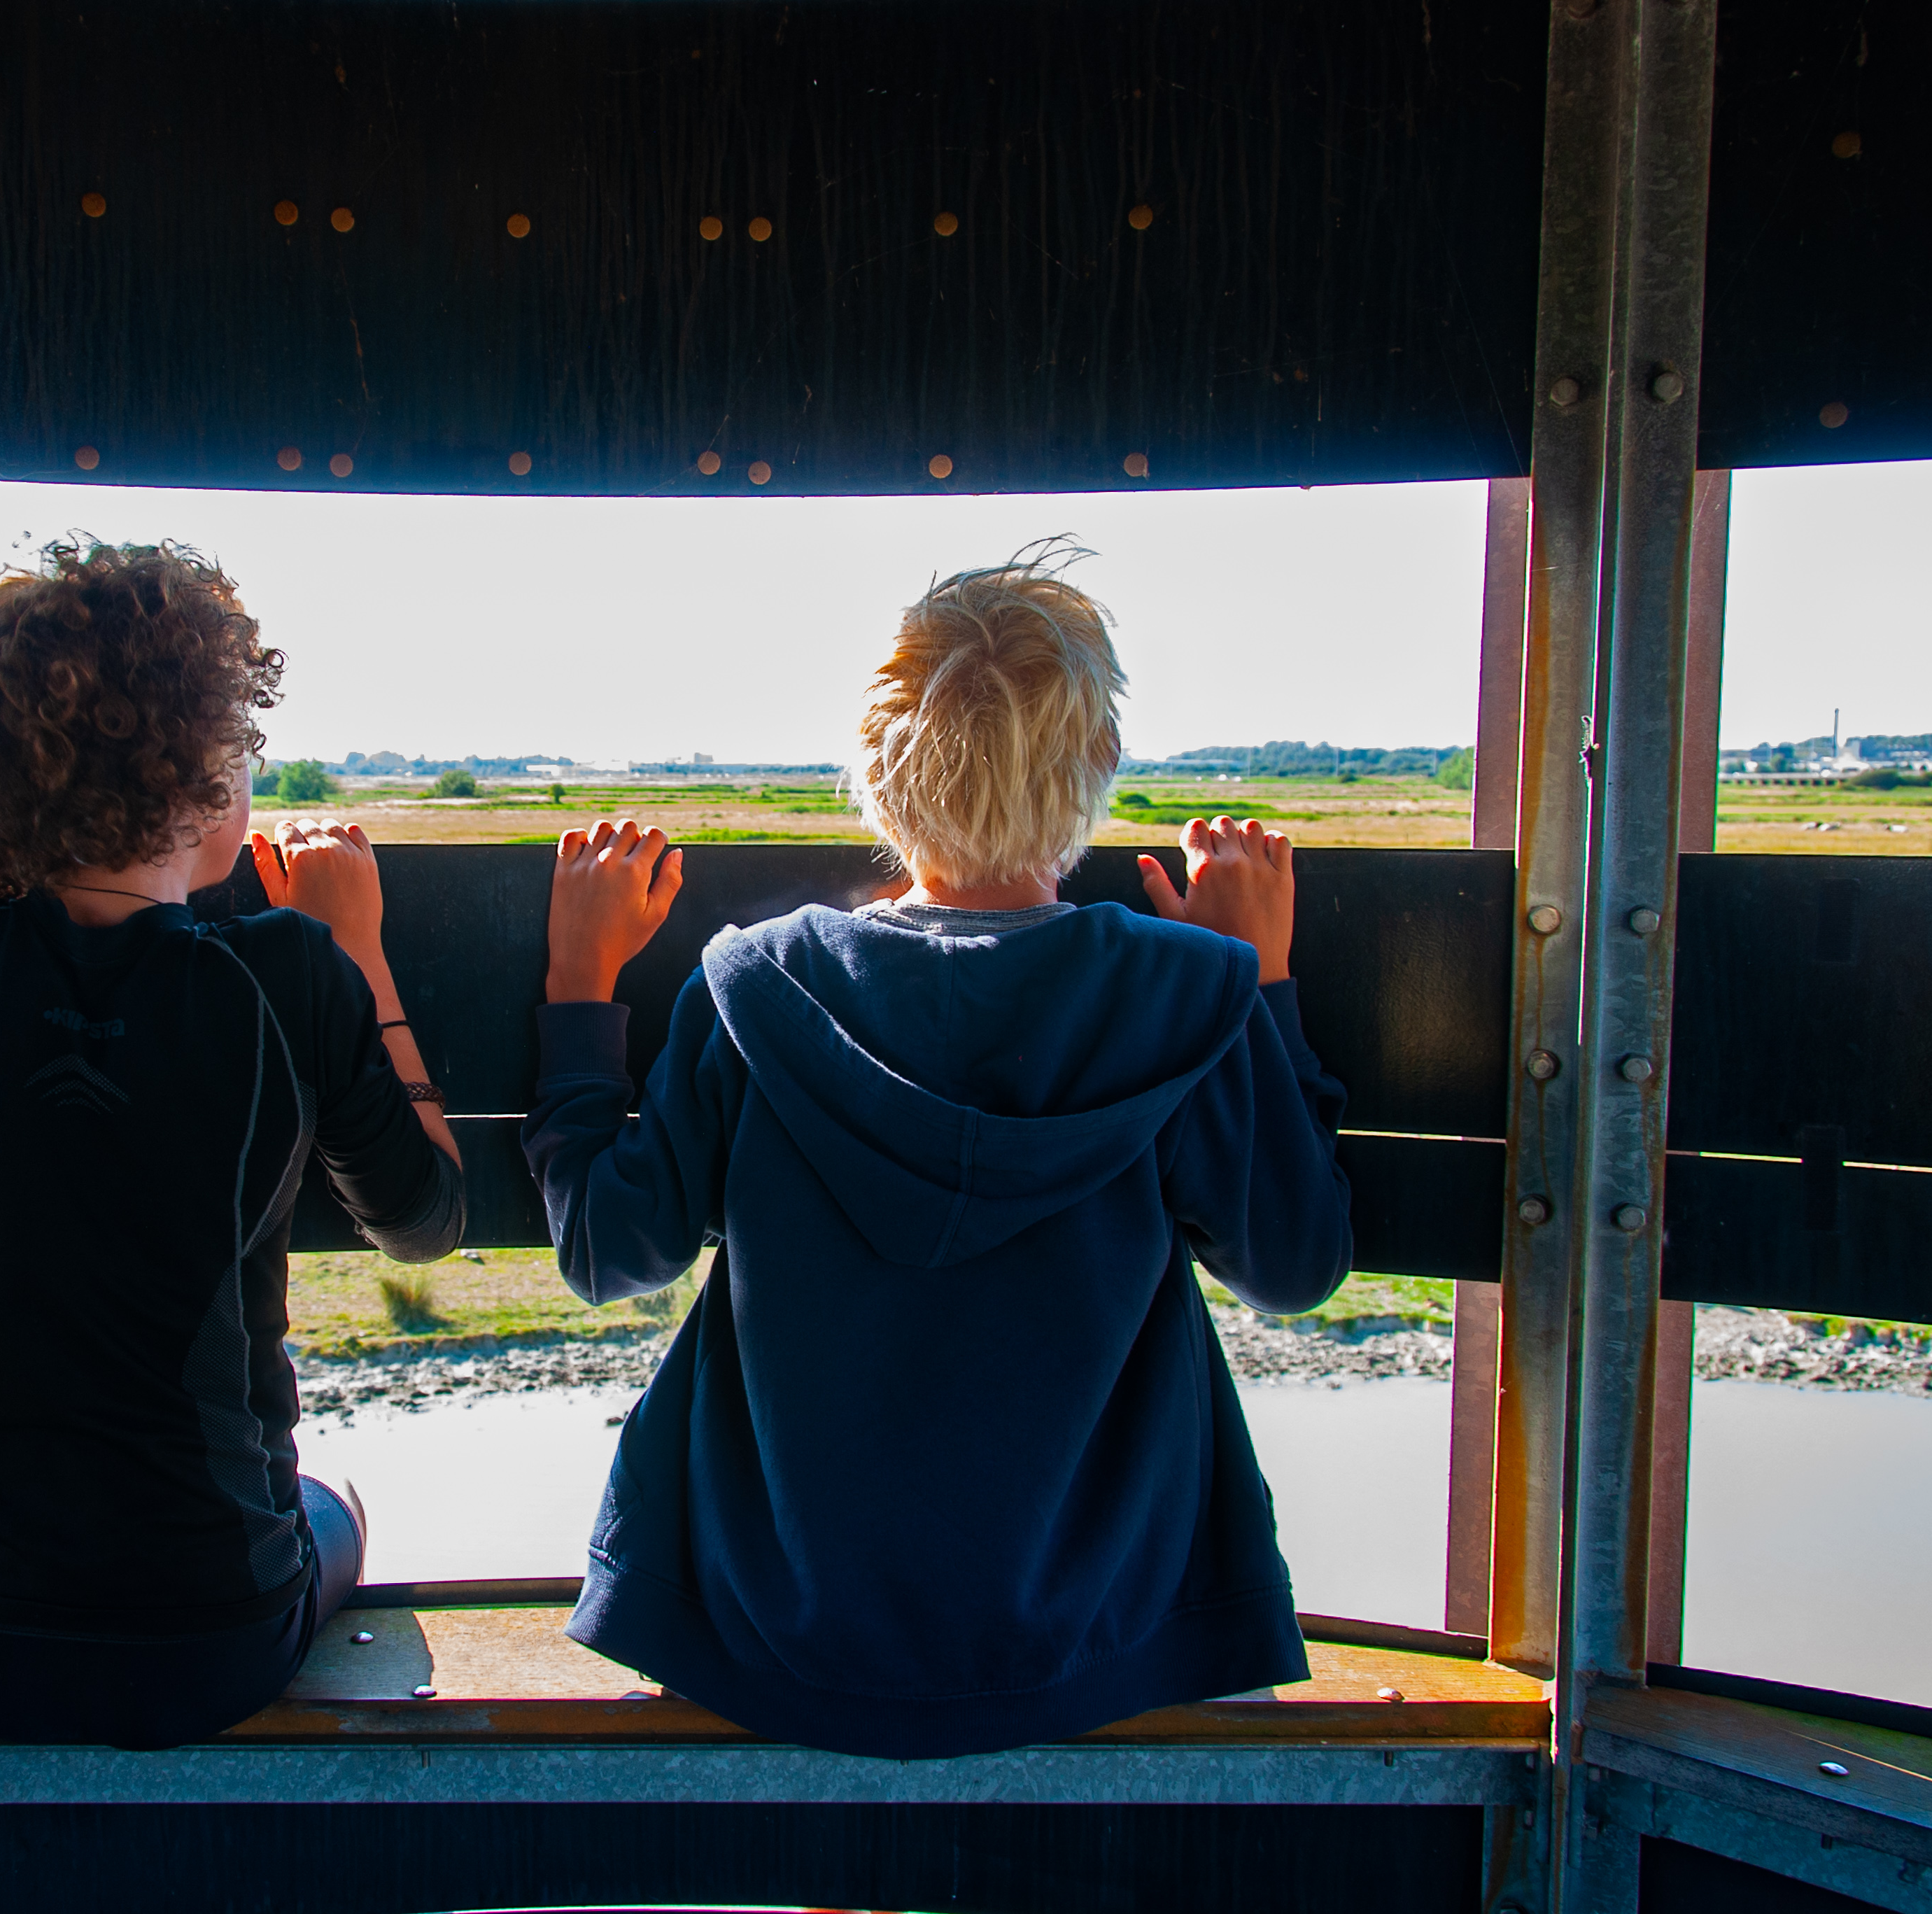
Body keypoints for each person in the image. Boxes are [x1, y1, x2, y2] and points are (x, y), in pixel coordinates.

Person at [523, 544, 1352, 1759]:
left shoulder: (759, 985)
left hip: (771, 1621)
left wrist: (578, 986)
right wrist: (1260, 985)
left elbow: (609, 1252)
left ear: (874, 775)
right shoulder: (1184, 990)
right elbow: (1293, 1263)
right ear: (1094, 774)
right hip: (1104, 1622)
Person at [0, 540, 463, 1749]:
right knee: (337, 1501)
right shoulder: (285, 971)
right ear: (202, 774)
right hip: (213, 1633)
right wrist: (356, 943)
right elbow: (421, 1221)